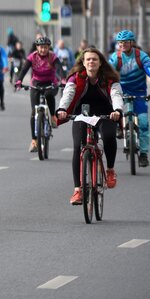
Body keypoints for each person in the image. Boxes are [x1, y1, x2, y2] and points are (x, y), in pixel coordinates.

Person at [57, 47, 124, 204]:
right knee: (77, 146)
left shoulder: (109, 78)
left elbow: (116, 95)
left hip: (106, 114)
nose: (91, 62)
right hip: (82, 115)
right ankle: (77, 191)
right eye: (88, 59)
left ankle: (110, 170)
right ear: (83, 62)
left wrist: (117, 110)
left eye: (94, 59)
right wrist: (61, 109)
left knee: (108, 136)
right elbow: (68, 94)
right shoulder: (76, 77)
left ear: (100, 63)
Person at [109, 29, 150, 167]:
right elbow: (108, 73)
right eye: (120, 43)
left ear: (132, 42)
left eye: (126, 42)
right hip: (122, 91)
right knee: (115, 110)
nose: (123, 45)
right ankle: (119, 126)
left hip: (139, 92)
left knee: (143, 123)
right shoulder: (116, 57)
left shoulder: (141, 56)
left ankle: (143, 154)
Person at [14, 36, 63, 152]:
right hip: (36, 83)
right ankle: (34, 140)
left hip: (50, 82)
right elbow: (24, 69)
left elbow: (59, 68)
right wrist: (19, 80)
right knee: (33, 113)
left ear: (48, 48)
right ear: (37, 47)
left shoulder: (52, 57)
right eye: (41, 47)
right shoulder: (32, 57)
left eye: (45, 47)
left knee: (49, 95)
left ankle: (52, 116)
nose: (43, 50)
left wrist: (64, 79)